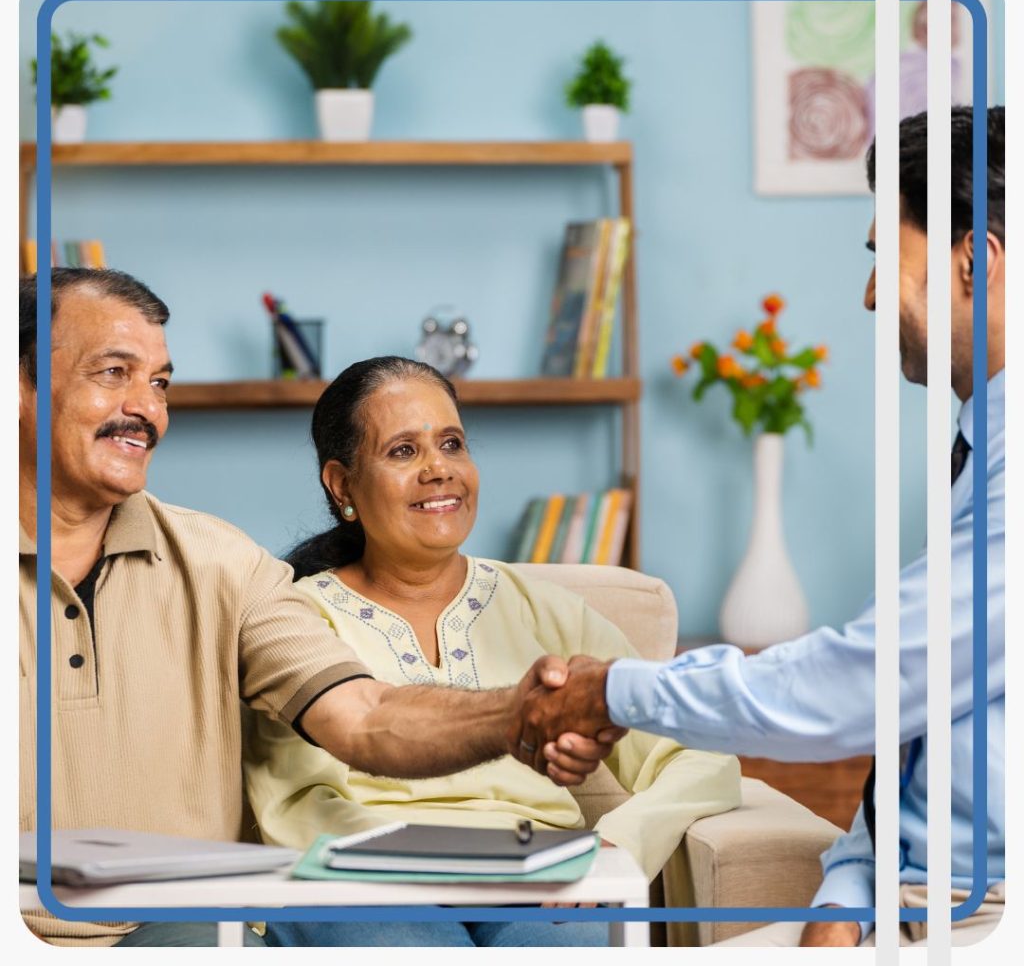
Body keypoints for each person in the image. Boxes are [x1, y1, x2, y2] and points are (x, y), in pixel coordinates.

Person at [510, 105, 1006, 947]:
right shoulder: (979, 451)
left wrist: (611, 688)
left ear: (975, 262)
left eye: (889, 258)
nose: (873, 294)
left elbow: (859, 689)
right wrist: (848, 891)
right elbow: (921, 727)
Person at [18, 269, 613, 949]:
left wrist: (516, 714)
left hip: (179, 930)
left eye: (159, 383)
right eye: (114, 372)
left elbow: (364, 717)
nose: (145, 409)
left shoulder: (225, 565)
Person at [242, 355, 741, 948]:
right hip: (360, 887)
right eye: (404, 451)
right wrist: (424, 869)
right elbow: (295, 804)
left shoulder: (548, 611)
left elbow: (699, 751)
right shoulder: (292, 615)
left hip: (534, 886)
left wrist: (619, 842)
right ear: (343, 484)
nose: (439, 470)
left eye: (452, 444)